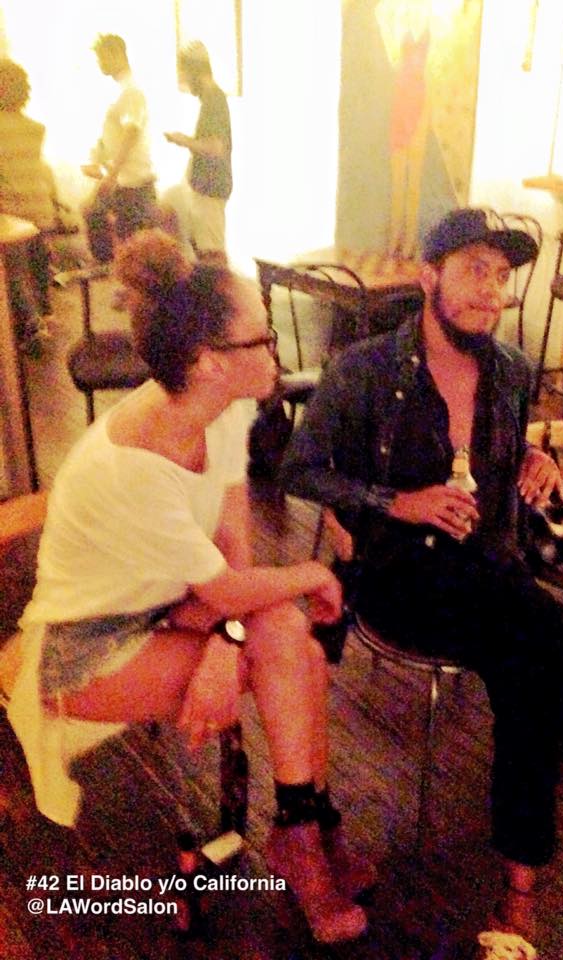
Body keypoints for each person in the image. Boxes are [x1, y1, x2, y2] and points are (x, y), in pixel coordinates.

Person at [280, 207, 563, 957]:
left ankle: (520, 896)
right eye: (474, 270)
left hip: (490, 575)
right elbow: (300, 468)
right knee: (535, 627)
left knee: (527, 662)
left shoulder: (511, 369)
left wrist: (533, 461)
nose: (492, 289)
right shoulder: (365, 370)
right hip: (397, 577)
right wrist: (395, 500)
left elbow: (504, 454)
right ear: (430, 276)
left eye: (503, 274)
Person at [6, 228, 371, 945]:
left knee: (284, 633)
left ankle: (304, 828)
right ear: (208, 361)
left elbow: (233, 558)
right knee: (291, 646)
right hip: (85, 646)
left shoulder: (222, 406)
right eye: (263, 337)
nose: (276, 350)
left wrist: (226, 638)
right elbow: (232, 587)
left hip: (170, 604)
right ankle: (307, 834)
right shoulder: (134, 464)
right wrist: (314, 572)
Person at [82, 35, 157, 263]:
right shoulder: (120, 90)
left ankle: (110, 268)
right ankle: (107, 267)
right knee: (93, 213)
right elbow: (112, 135)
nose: (100, 64)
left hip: (133, 182)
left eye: (102, 58)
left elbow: (131, 132)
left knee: (133, 247)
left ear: (118, 54)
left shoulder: (131, 91)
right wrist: (97, 159)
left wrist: (112, 174)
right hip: (122, 180)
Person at [0, 58, 58, 339]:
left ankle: (33, 327)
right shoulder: (36, 128)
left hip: (13, 209)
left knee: (16, 273)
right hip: (40, 204)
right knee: (38, 266)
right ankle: (45, 313)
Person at [163, 41, 232, 263]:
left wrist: (183, 140)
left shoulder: (214, 99)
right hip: (203, 186)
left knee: (212, 256)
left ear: (195, 72)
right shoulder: (211, 100)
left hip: (210, 188)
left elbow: (215, 147)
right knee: (203, 251)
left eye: (184, 75)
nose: (183, 82)